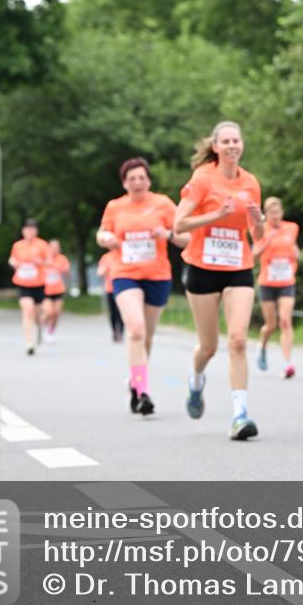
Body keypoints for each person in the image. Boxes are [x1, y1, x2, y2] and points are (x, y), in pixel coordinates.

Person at [174, 121, 264, 440]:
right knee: (209, 346)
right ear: (215, 146)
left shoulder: (251, 183)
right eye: (224, 141)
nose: (231, 145)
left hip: (238, 265)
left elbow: (258, 236)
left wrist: (258, 221)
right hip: (202, 266)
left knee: (238, 339)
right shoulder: (202, 179)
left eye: (235, 140)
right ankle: (196, 379)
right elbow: (178, 224)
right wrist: (216, 215)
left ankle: (240, 415)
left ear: (242, 144)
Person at [97, 158, 190, 415]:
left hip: (157, 275)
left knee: (146, 335)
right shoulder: (115, 207)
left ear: (148, 180)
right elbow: (101, 234)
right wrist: (108, 238)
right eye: (131, 179)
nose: (137, 183)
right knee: (135, 329)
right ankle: (143, 392)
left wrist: (168, 235)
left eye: (141, 178)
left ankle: (135, 381)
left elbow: (186, 238)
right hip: (125, 273)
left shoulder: (162, 204)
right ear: (124, 183)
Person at [253, 197, 300, 378]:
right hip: (267, 282)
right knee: (270, 325)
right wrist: (267, 241)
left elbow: (293, 248)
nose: (275, 216)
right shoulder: (261, 230)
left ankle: (287, 363)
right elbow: (253, 256)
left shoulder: (292, 228)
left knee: (285, 321)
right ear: (266, 214)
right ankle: (262, 346)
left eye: (277, 212)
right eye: (271, 213)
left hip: (287, 281)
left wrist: (296, 253)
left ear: (282, 212)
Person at [9, 219, 50, 355]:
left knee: (37, 313)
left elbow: (49, 262)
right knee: (28, 310)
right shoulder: (18, 245)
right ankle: (29, 342)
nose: (29, 232)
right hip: (23, 283)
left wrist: (40, 262)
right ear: (23, 231)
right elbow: (12, 259)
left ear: (36, 231)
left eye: (32, 229)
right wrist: (14, 263)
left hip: (38, 283)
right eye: (27, 229)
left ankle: (38, 328)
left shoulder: (43, 245)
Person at [42, 239, 70, 343]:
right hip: (45, 291)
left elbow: (67, 272)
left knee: (56, 313)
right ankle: (43, 326)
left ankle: (51, 331)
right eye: (52, 247)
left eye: (56, 247)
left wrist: (65, 271)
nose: (54, 250)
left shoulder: (62, 259)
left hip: (58, 290)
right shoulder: (44, 259)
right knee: (49, 312)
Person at [98, 250, 123, 342]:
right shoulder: (106, 257)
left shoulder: (124, 254)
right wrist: (104, 269)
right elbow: (99, 272)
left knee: (120, 312)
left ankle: (120, 331)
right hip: (110, 288)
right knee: (112, 312)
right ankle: (114, 331)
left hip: (122, 289)